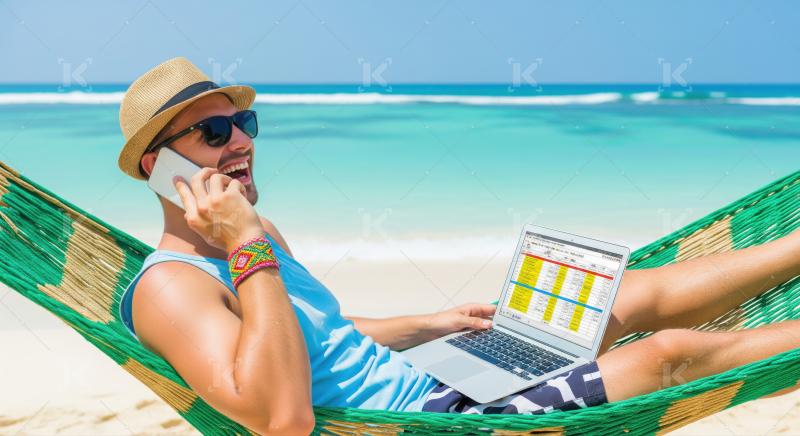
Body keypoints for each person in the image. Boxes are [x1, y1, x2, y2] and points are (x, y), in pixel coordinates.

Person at [117, 58, 800, 435]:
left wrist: (428, 324)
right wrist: (244, 246)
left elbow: (318, 334)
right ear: (157, 165)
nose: (241, 141)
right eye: (214, 133)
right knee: (665, 357)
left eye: (244, 122)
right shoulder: (171, 288)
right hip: (427, 424)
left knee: (620, 295)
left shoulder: (257, 239)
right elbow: (281, 418)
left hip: (435, 376)